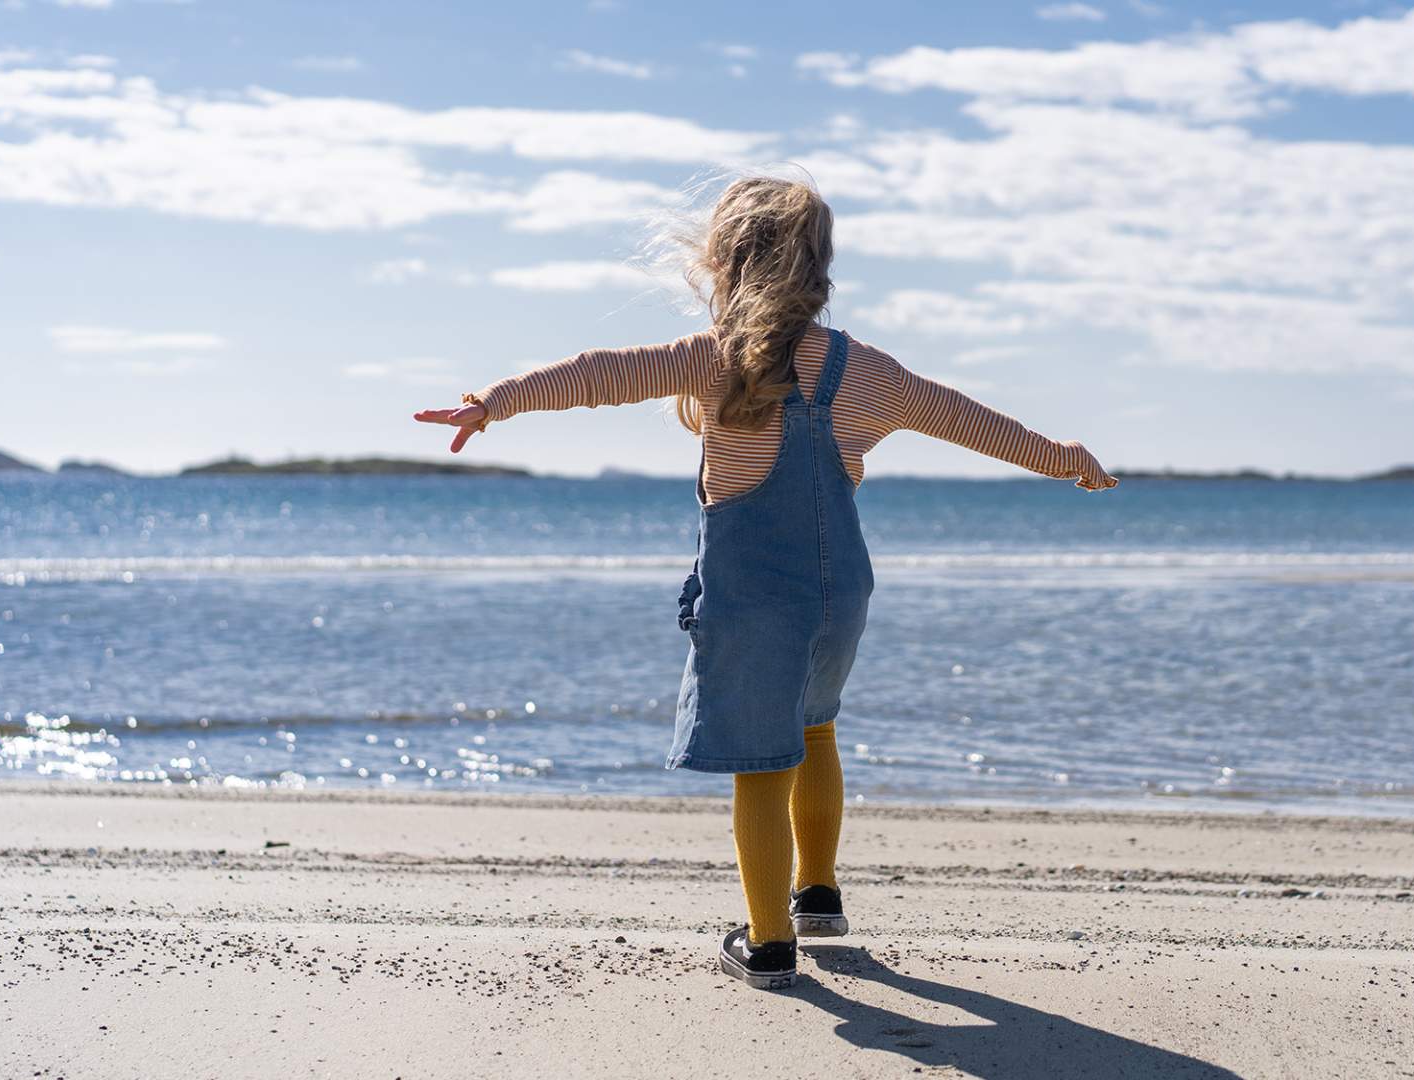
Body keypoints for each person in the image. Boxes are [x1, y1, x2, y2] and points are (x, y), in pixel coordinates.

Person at [415, 174, 1117, 990]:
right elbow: (972, 421)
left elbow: (597, 375)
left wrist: (494, 402)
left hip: (753, 599)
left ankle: (770, 941)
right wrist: (1063, 459)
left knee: (760, 762)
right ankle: (817, 895)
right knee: (815, 728)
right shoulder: (866, 371)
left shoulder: (713, 359)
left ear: (725, 262)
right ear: (819, 269)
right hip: (839, 594)